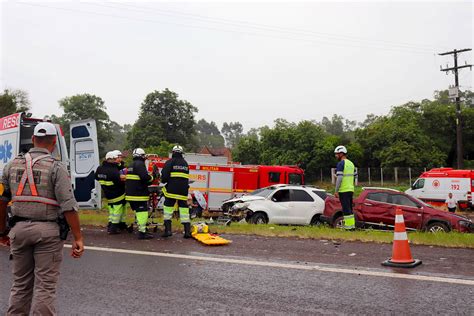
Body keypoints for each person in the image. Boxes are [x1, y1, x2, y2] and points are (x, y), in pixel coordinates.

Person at [0, 122, 84, 315]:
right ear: (54, 142)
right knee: (45, 286)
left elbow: (1, 201)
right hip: (48, 232)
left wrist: (2, 231)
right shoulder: (57, 168)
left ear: (33, 140)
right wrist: (78, 237)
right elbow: (69, 206)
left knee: (20, 284)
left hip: (18, 231)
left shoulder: (11, 165)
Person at [161, 145, 191, 238]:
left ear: (173, 152)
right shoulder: (185, 163)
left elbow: (164, 176)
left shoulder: (170, 162)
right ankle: (187, 232)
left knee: (168, 209)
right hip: (183, 191)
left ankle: (168, 231)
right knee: (184, 211)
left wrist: (163, 181)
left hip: (171, 191)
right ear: (181, 153)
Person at [125, 148, 155, 239]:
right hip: (138, 194)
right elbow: (144, 178)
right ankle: (142, 233)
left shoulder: (131, 164)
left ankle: (143, 230)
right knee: (142, 212)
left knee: (138, 213)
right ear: (141, 156)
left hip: (130, 194)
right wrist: (152, 178)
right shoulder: (140, 164)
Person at [95, 150, 126, 234]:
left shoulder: (100, 168)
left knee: (112, 211)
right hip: (117, 193)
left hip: (108, 194)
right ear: (112, 159)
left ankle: (110, 225)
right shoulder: (113, 170)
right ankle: (113, 228)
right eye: (116, 158)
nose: (117, 160)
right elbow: (119, 181)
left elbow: (97, 177)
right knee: (117, 210)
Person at [334, 145, 357, 230]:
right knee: (350, 209)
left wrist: (336, 190)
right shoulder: (351, 163)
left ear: (341, 154)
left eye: (337, 154)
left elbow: (340, 178)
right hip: (350, 189)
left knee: (346, 209)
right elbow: (355, 177)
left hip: (343, 190)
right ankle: (352, 226)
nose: (336, 156)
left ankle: (348, 227)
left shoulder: (341, 164)